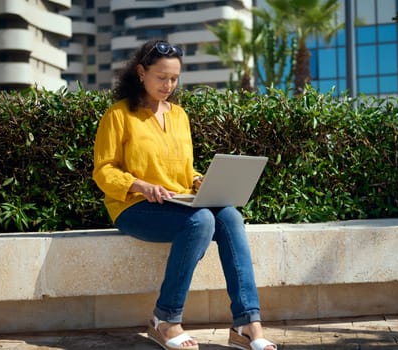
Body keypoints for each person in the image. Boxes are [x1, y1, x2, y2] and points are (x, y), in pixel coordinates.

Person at [92, 39, 277, 350]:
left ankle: (246, 322)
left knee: (230, 215)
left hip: (177, 203)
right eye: (161, 77)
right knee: (201, 221)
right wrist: (140, 185)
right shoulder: (119, 115)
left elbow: (184, 170)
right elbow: (103, 170)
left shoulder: (179, 116)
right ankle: (164, 319)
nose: (168, 85)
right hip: (134, 207)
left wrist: (198, 182)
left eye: (174, 78)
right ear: (141, 72)